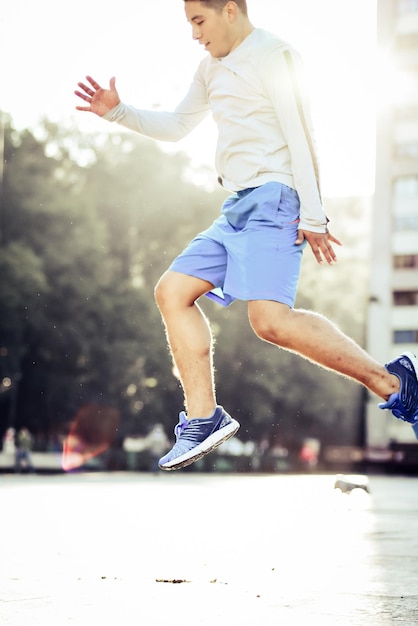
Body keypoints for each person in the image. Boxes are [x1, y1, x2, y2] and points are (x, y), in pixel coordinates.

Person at [75, 0, 418, 471]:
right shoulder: (209, 69)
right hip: (236, 206)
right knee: (173, 291)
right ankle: (204, 418)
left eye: (200, 21)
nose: (195, 34)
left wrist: (314, 215)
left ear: (230, 10)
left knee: (269, 321)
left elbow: (302, 135)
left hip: (276, 197)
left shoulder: (275, 56)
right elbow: (177, 125)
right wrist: (119, 113)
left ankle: (395, 386)